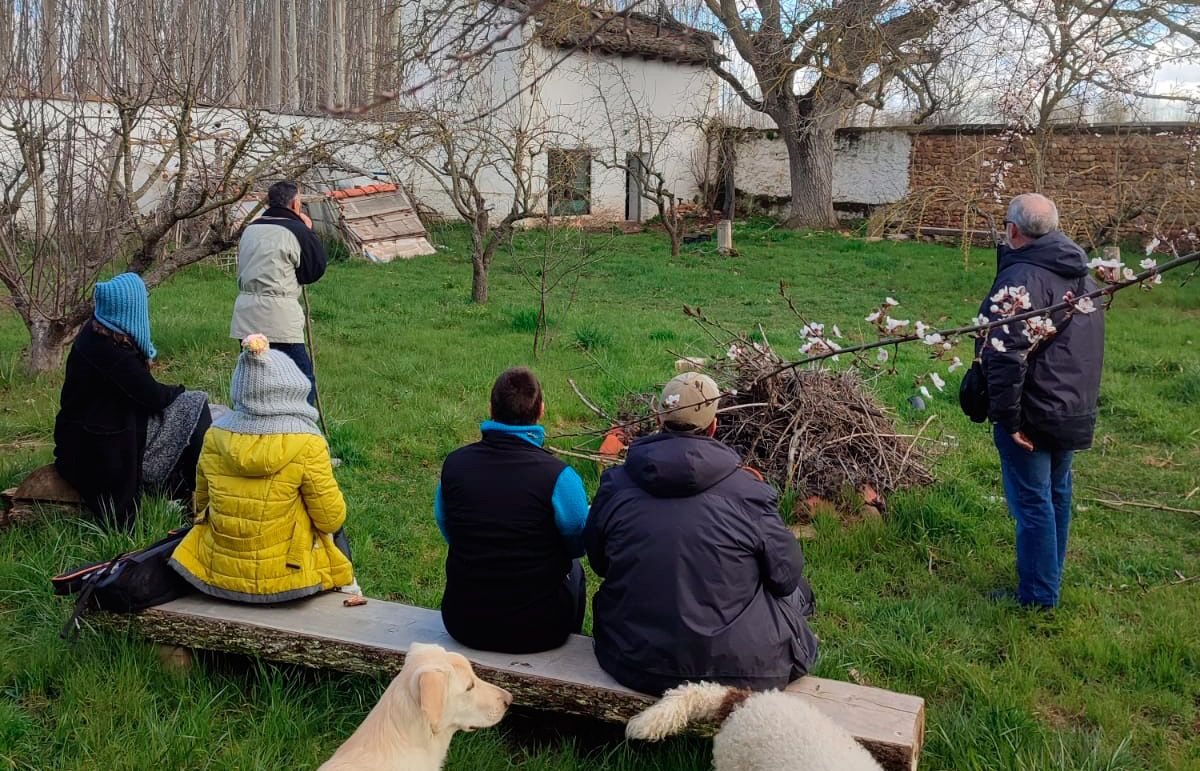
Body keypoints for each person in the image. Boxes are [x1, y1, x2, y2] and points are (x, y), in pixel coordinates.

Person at [584, 372, 819, 695]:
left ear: (658, 419)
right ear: (713, 427)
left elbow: (598, 562)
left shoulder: (615, 484)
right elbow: (785, 576)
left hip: (631, 660)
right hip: (740, 671)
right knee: (796, 590)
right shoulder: (748, 491)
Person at [981, 193, 1105, 609]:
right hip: (1072, 407)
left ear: (1012, 230)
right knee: (1056, 494)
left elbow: (1003, 355)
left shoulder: (1021, 280)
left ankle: (1038, 595)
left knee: (1034, 501)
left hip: (1033, 410)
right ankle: (1046, 579)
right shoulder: (1084, 277)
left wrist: (1009, 419)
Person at [170, 335, 357, 603]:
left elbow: (201, 504)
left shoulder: (215, 435)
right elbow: (331, 519)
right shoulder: (307, 442)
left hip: (217, 573)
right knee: (330, 514)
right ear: (291, 391)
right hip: (290, 578)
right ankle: (348, 590)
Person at [435, 367, 589, 653]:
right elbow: (578, 542)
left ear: (491, 408)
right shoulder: (560, 477)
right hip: (541, 631)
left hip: (463, 622)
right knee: (576, 571)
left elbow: (447, 524)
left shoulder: (454, 465)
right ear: (541, 410)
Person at [53, 273, 210, 530]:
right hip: (98, 447)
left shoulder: (95, 333)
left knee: (191, 406)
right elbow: (154, 396)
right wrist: (181, 390)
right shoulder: (111, 354)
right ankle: (196, 498)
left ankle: (184, 493)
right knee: (195, 404)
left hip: (87, 432)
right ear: (131, 310)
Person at [231, 180, 328, 405]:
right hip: (279, 316)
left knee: (255, 376)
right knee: (301, 380)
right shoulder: (297, 231)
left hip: (246, 314)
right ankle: (301, 431)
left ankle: (254, 425)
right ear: (294, 204)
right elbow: (314, 270)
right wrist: (307, 232)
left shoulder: (250, 229)